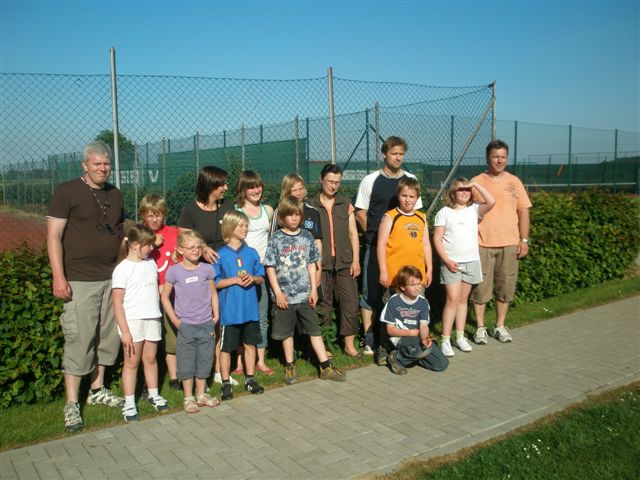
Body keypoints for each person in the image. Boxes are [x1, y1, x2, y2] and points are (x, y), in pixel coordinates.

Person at [47, 140, 125, 432]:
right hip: (79, 279)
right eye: (97, 164)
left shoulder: (115, 194)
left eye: (106, 164)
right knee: (80, 339)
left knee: (107, 338)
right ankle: (71, 403)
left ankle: (97, 389)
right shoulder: (66, 192)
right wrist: (59, 276)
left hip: (111, 278)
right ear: (85, 165)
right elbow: (53, 237)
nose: (103, 168)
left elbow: (119, 232)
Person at [264, 196, 346, 385]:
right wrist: (277, 293)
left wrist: (314, 290)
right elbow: (270, 267)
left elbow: (311, 264)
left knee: (314, 330)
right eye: (290, 215)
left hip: (305, 295)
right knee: (286, 333)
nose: (294, 218)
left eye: (297, 214)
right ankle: (290, 365)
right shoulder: (276, 238)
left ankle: (325, 366)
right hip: (284, 297)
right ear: (282, 217)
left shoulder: (307, 236)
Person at [355, 136, 422, 363]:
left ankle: (401, 339)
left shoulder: (410, 179)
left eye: (401, 153)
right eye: (394, 153)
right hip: (376, 247)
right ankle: (369, 338)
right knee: (370, 293)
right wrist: (377, 235)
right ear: (384, 154)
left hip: (403, 250)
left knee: (402, 293)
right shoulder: (370, 180)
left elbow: (417, 215)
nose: (398, 157)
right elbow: (360, 212)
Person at [177, 165, 235, 386]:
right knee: (205, 323)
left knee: (222, 322)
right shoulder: (190, 211)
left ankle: (220, 370)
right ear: (211, 186)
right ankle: (202, 371)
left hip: (226, 272)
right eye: (222, 184)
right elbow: (183, 241)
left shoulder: (227, 206)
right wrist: (203, 248)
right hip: (201, 276)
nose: (226, 188)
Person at [470, 139, 532, 344]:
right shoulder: (476, 181)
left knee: (506, 287)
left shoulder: (515, 182)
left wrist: (524, 240)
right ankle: (480, 328)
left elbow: (523, 212)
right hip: (481, 243)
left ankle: (500, 326)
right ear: (487, 158)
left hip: (509, 243)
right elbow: (465, 211)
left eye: (503, 157)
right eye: (496, 156)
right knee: (480, 288)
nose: (500, 160)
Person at [112, 224, 170, 422]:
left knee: (151, 358)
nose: (152, 248)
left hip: (152, 318)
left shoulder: (150, 263)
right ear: (135, 245)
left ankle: (154, 394)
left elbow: (155, 289)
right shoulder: (122, 269)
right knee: (131, 362)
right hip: (132, 321)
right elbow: (117, 303)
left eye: (152, 245)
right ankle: (129, 403)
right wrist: (125, 331)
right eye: (148, 245)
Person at [433, 178, 496, 357]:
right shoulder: (444, 212)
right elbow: (437, 238)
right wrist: (446, 260)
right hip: (451, 263)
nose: (464, 192)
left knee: (463, 299)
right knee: (452, 299)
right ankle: (445, 340)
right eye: (460, 189)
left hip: (471, 261)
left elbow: (491, 201)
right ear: (452, 193)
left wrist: (475, 185)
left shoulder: (474, 209)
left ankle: (460, 337)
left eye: (467, 190)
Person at [161, 230, 220, 414]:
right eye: (191, 247)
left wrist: (215, 316)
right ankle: (188, 397)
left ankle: (201, 394)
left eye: (198, 247)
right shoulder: (174, 271)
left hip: (206, 323)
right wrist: (175, 321)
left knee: (205, 360)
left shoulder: (207, 269)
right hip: (185, 325)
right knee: (186, 362)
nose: (196, 250)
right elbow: (164, 297)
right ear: (180, 249)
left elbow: (213, 293)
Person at [309, 164, 361, 357]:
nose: (333, 186)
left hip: (344, 262)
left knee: (350, 303)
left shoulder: (345, 202)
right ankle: (326, 346)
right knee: (324, 305)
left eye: (337, 182)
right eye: (330, 181)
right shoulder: (310, 205)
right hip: (321, 264)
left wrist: (356, 260)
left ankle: (349, 345)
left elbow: (353, 233)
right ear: (321, 180)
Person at [215, 211, 266, 401]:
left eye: (246, 225)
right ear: (230, 227)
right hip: (230, 312)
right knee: (226, 348)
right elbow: (215, 282)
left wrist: (253, 278)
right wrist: (235, 280)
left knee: (250, 344)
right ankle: (226, 383)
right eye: (241, 226)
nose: (245, 229)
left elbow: (261, 277)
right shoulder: (220, 255)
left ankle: (250, 379)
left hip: (249, 311)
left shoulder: (251, 252)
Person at [234, 170, 275, 375]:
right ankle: (239, 362)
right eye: (251, 187)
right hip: (241, 270)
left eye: (258, 186)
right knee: (241, 316)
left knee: (261, 316)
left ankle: (260, 360)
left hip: (262, 271)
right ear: (243, 189)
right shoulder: (235, 211)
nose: (256, 190)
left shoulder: (268, 210)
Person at [139, 193, 181, 390]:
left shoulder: (173, 233)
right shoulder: (138, 234)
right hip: (146, 295)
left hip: (171, 293)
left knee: (172, 334)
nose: (155, 219)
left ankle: (174, 377)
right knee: (149, 338)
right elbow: (129, 256)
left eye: (158, 214)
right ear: (143, 215)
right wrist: (150, 244)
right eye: (150, 215)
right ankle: (147, 380)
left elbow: (181, 258)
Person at [381, 266, 449, 375]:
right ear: (403, 287)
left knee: (442, 364)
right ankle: (396, 358)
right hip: (400, 338)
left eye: (419, 283)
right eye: (413, 285)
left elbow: (423, 325)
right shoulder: (393, 301)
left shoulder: (423, 302)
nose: (418, 288)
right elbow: (390, 330)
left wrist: (425, 339)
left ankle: (412, 358)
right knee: (417, 347)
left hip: (418, 337)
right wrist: (411, 333)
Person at [377, 177, 433, 290]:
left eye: (411, 197)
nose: (407, 200)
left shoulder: (421, 217)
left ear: (417, 198)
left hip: (417, 277)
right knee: (395, 302)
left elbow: (426, 245)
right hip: (395, 276)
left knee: (417, 302)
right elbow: (381, 244)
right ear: (398, 195)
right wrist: (383, 271)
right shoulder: (390, 217)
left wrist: (429, 270)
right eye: (404, 196)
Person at [270, 173, 323, 288]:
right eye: (294, 190)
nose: (299, 193)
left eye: (301, 188)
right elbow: (272, 244)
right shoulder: (279, 212)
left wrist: (319, 269)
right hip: (286, 272)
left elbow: (317, 242)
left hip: (308, 270)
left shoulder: (313, 212)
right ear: (287, 192)